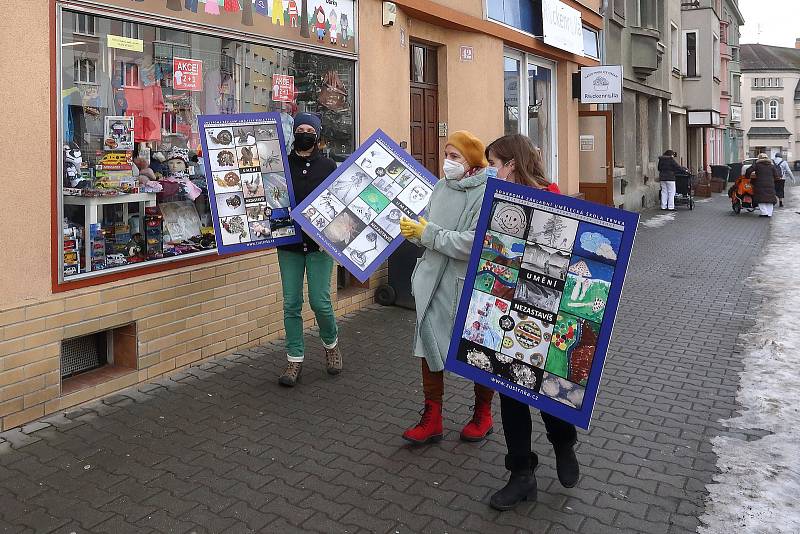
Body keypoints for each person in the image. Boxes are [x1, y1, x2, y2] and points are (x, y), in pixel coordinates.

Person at [483, 134, 580, 511]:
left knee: (548, 391)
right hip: (505, 308)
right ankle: (521, 474)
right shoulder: (497, 201)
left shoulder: (552, 196)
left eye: (494, 164)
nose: (491, 171)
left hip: (547, 310)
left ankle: (563, 443)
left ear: (511, 164)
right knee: (510, 391)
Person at [399, 131, 497, 445]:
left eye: (455, 157)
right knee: (427, 346)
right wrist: (413, 231)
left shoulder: (487, 192)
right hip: (431, 281)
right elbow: (429, 224)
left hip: (466, 283)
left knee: (477, 349)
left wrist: (427, 234)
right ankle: (432, 416)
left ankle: (483, 412)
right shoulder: (441, 186)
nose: (447, 162)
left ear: (471, 160)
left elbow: (473, 242)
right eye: (446, 154)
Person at [277, 112, 342, 386]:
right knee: (292, 303)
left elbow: (340, 205)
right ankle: (294, 360)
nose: (305, 133)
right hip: (289, 244)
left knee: (320, 302)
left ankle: (331, 345)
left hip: (320, 246)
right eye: (300, 128)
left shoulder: (328, 166)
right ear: (294, 132)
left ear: (317, 135)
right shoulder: (280, 164)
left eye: (309, 129)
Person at [746, 153, 779, 218]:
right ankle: (769, 213)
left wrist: (747, 176)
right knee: (770, 199)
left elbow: (749, 170)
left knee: (760, 198)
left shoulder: (757, 165)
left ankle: (764, 213)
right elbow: (776, 175)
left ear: (759, 158)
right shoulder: (771, 166)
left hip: (760, 184)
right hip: (770, 184)